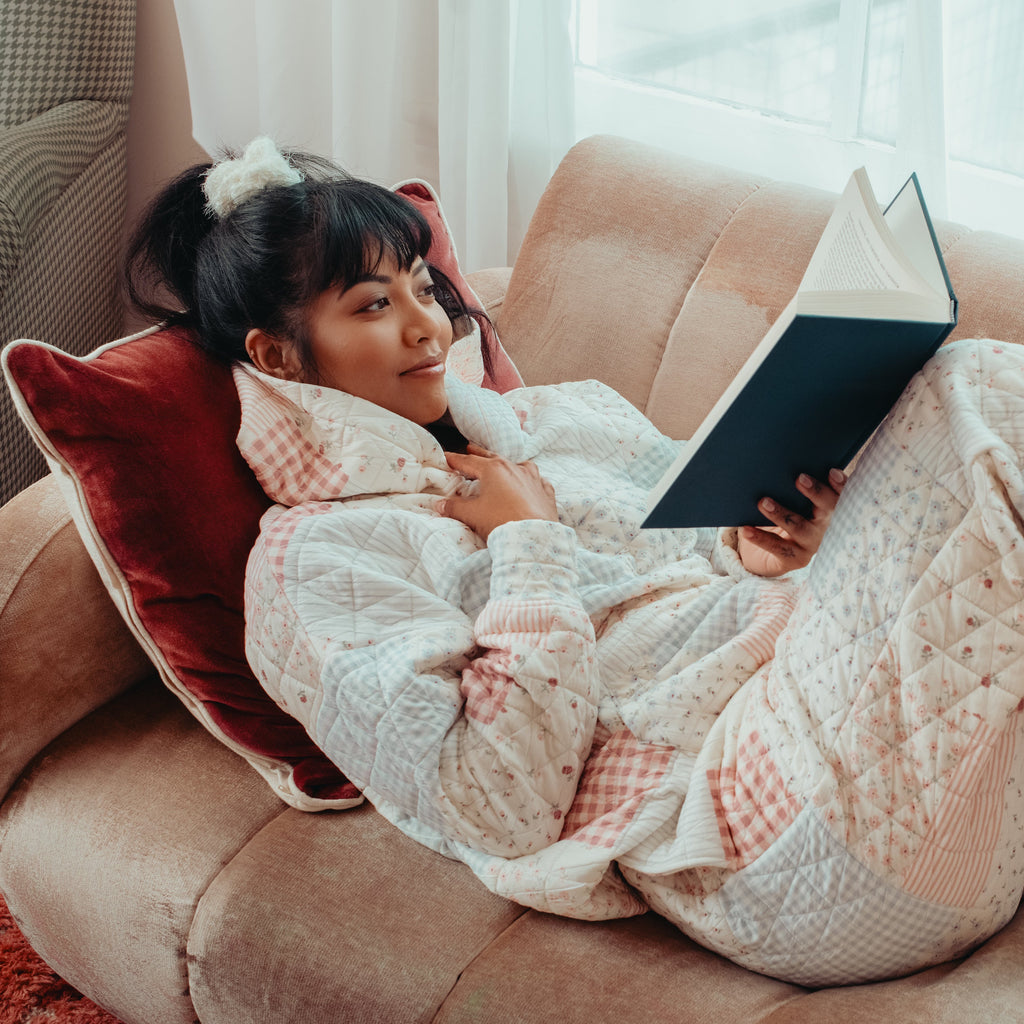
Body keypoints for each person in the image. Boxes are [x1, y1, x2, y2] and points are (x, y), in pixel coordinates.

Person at [126, 137, 1024, 987]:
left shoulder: (560, 419)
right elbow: (495, 810)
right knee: (974, 388)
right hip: (765, 837)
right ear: (280, 356)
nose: (425, 328)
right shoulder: (315, 563)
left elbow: (704, 563)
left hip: (855, 732)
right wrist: (526, 546)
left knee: (965, 424)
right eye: (372, 305)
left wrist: (786, 549)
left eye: (423, 289)